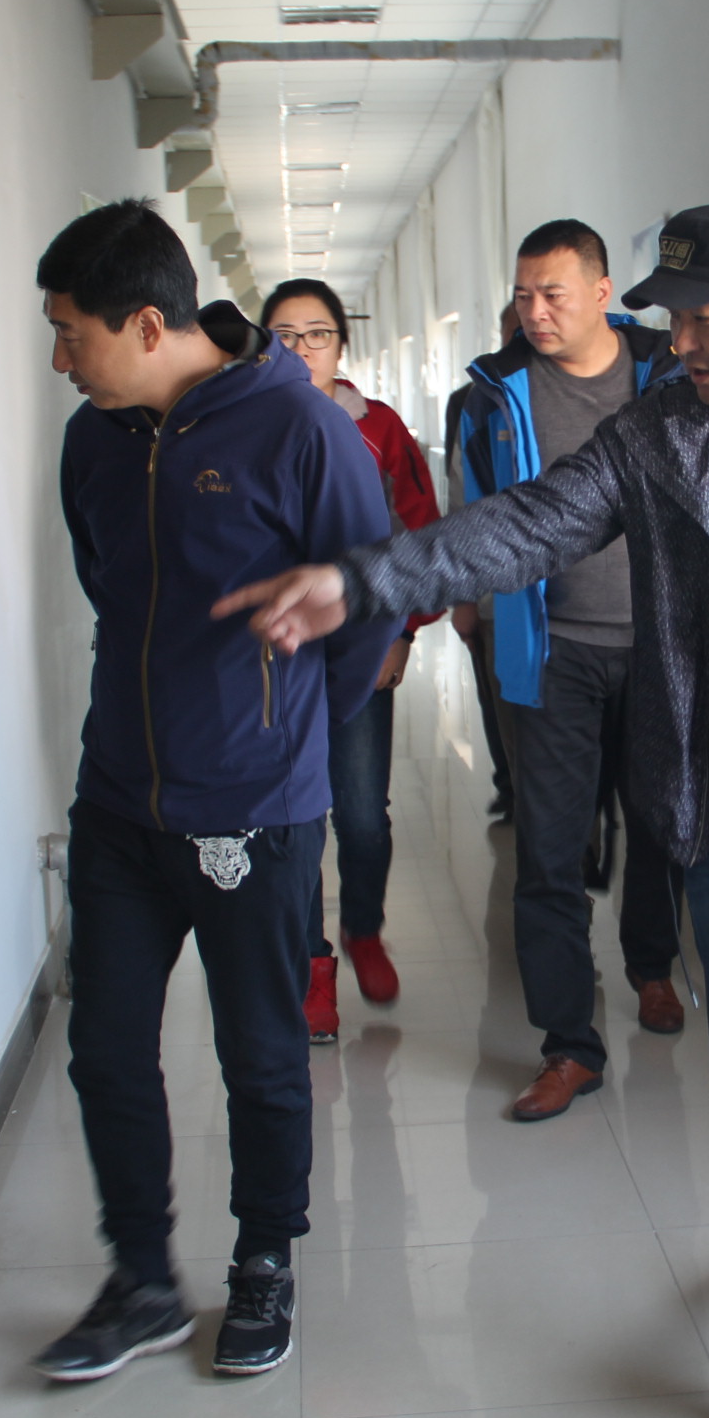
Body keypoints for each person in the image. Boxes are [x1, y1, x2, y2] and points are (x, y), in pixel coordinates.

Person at [218, 201, 709, 1418]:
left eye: (707, 320)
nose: (684, 345)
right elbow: (523, 524)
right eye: (675, 321)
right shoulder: (662, 438)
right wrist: (364, 579)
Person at [33, 201, 394, 1384]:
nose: (60, 359)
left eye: (72, 333)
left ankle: (264, 1261)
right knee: (105, 1049)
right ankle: (141, 1279)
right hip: (119, 803)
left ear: (147, 324)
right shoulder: (93, 440)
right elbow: (108, 584)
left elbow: (367, 599)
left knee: (262, 1053)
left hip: (256, 808)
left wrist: (281, 735)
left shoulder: (298, 429)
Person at [454, 218, 693, 1116]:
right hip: (550, 651)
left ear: (601, 292)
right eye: (523, 295)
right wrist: (480, 611)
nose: (535, 311)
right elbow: (479, 512)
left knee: (658, 825)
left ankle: (652, 965)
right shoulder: (494, 394)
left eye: (552, 293)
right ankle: (568, 1046)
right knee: (549, 851)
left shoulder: (670, 374)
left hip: (659, 646)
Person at [257, 277, 440, 1037]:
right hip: (277, 662)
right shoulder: (243, 430)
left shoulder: (380, 430)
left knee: (362, 816)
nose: (302, 350)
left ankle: (363, 927)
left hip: (360, 653)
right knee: (295, 820)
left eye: (317, 335)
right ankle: (313, 966)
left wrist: (402, 634)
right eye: (284, 337)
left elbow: (417, 536)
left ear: (342, 345)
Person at [443, 300, 521, 821]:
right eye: (515, 330)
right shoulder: (473, 401)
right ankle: (510, 785)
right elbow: (461, 502)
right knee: (500, 703)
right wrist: (463, 597)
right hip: (495, 592)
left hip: (574, 608)